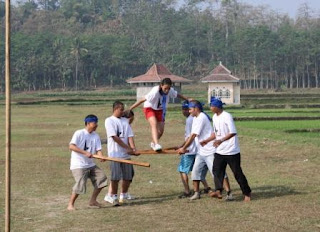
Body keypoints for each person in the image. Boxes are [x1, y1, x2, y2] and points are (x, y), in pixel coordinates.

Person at [177, 100, 232, 200]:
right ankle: (196, 193)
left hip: (210, 151)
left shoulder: (201, 117)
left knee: (218, 172)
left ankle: (229, 193)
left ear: (196, 109)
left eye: (190, 109)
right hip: (201, 152)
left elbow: (193, 135)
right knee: (195, 172)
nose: (189, 111)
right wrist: (184, 147)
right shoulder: (195, 118)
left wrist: (184, 148)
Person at [208, 97, 251, 202]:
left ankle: (247, 193)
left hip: (231, 151)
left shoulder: (227, 116)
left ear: (217, 107)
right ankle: (218, 190)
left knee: (237, 173)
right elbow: (217, 132)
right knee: (217, 170)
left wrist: (221, 140)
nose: (210, 108)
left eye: (212, 106)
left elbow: (232, 132)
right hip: (219, 150)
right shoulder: (214, 117)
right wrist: (209, 140)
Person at [129, 77, 189, 151]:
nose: (167, 91)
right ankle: (156, 144)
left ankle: (153, 143)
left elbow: (178, 95)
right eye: (165, 88)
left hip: (160, 110)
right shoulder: (155, 91)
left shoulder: (170, 91)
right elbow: (142, 100)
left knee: (160, 131)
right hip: (149, 108)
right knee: (154, 123)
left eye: (169, 88)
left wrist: (188, 99)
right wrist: (130, 108)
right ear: (161, 85)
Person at [67, 114, 108, 210]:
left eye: (97, 123)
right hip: (79, 165)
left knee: (102, 178)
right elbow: (71, 146)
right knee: (80, 184)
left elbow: (98, 149)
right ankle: (70, 204)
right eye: (95, 123)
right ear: (88, 123)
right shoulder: (79, 133)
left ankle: (93, 201)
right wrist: (85, 153)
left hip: (90, 164)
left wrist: (100, 156)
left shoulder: (96, 136)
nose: (97, 125)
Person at [104, 101, 139, 206]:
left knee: (128, 177)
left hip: (126, 155)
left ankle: (123, 195)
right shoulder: (109, 121)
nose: (123, 111)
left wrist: (133, 148)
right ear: (115, 109)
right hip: (115, 154)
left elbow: (130, 136)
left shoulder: (125, 121)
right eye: (121, 109)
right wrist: (127, 147)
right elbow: (114, 137)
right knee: (115, 177)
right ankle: (113, 196)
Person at [177, 100, 211, 198]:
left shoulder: (190, 120)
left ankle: (187, 191)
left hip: (190, 150)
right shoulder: (197, 117)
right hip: (197, 149)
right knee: (196, 170)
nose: (184, 111)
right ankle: (206, 187)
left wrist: (183, 147)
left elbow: (190, 136)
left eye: (186, 109)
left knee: (182, 170)